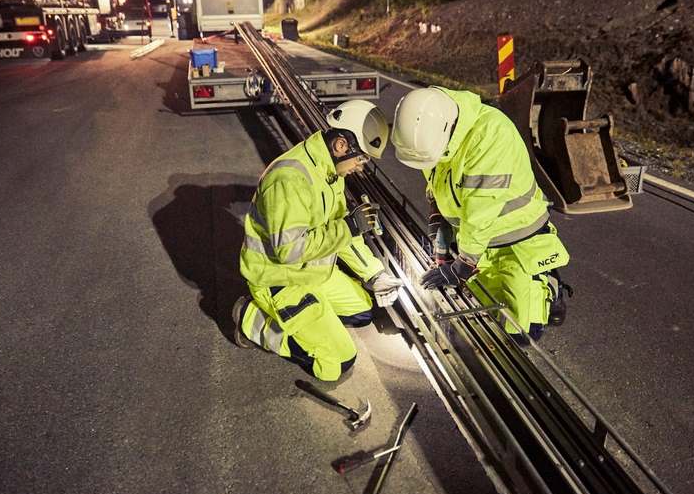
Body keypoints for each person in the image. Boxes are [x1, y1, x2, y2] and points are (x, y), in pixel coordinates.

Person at [232, 100, 403, 381]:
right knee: (337, 363)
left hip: (313, 273)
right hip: (279, 279)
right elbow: (289, 250)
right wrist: (348, 226)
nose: (361, 167)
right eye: (361, 158)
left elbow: (343, 233)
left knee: (363, 310)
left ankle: (311, 317)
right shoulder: (290, 180)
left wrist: (374, 275)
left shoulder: (330, 173)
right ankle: (252, 318)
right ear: (340, 145)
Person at [391, 87, 572, 343]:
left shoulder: (490, 134)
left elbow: (481, 211)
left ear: (446, 131)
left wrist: (463, 264)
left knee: (521, 333)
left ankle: (549, 285)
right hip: (476, 243)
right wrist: (438, 222)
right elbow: (437, 181)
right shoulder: (434, 133)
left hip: (518, 242)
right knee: (481, 318)